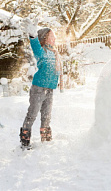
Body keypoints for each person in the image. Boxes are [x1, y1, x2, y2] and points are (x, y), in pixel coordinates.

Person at [19, 18, 63, 149]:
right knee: (32, 114)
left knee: (46, 115)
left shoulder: (55, 53)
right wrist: (33, 36)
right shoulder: (41, 51)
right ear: (44, 38)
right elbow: (35, 46)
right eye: (51, 36)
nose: (54, 38)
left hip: (49, 89)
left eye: (55, 36)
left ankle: (46, 139)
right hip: (38, 88)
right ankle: (25, 139)